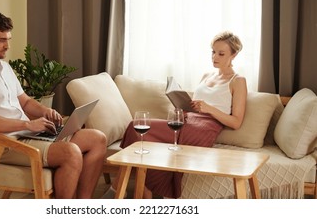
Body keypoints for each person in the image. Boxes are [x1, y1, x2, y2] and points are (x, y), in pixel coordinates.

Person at [0, 9, 107, 199]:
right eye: (2, 40)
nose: (7, 46)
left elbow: (25, 101)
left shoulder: (4, 67)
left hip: (29, 134)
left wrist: (45, 111)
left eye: (8, 39)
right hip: (6, 145)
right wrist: (28, 124)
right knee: (71, 152)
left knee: (97, 139)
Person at [103, 31, 247, 199]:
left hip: (203, 129)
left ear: (234, 55)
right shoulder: (207, 76)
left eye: (221, 53)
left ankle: (122, 189)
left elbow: (236, 122)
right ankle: (146, 192)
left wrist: (209, 108)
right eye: (213, 52)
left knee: (140, 132)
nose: (214, 57)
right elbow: (196, 106)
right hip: (188, 119)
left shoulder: (238, 81)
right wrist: (184, 103)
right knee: (136, 127)